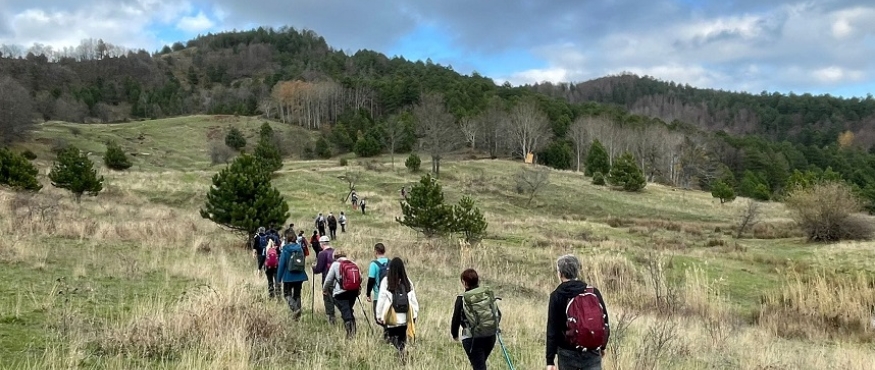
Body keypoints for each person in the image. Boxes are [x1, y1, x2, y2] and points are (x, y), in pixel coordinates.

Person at [546, 254, 610, 370]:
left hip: (567, 353)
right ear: (577, 271)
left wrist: (550, 361)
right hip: (592, 351)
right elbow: (604, 321)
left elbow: (552, 330)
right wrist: (603, 346)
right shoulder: (593, 291)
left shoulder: (556, 296)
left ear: (560, 274)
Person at [451, 269, 499, 370]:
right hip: (491, 335)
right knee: (479, 365)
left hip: (472, 338)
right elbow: (498, 314)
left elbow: (456, 319)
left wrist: (454, 334)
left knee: (479, 366)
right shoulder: (486, 294)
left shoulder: (462, 298)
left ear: (464, 283)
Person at [376, 257, 420, 361]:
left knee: (392, 336)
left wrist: (379, 315)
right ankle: (402, 353)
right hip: (406, 315)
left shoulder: (386, 281)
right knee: (402, 336)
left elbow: (381, 299)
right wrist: (415, 314)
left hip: (392, 316)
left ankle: (401, 352)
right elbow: (413, 298)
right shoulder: (407, 280)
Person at [322, 249, 362, 338]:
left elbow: (328, 279)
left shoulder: (335, 265)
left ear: (335, 257)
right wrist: (358, 288)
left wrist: (324, 289)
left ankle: (350, 334)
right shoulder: (352, 263)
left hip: (340, 292)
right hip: (353, 292)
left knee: (345, 311)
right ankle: (353, 330)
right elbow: (360, 277)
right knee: (349, 309)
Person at [277, 235, 309, 320]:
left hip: (288, 276)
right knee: (297, 294)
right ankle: (297, 316)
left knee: (287, 294)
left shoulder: (285, 249)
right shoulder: (300, 249)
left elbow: (281, 265)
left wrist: (278, 279)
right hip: (300, 275)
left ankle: (296, 309)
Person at [366, 243, 390, 339]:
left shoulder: (373, 264)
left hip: (378, 295)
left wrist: (368, 294)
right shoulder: (390, 262)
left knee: (378, 318)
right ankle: (388, 335)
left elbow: (371, 280)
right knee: (388, 315)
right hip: (390, 294)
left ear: (375, 251)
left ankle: (389, 333)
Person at [311, 235, 336, 324]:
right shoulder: (335, 252)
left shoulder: (322, 254)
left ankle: (331, 319)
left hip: (327, 280)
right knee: (336, 298)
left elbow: (319, 269)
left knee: (328, 299)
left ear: (321, 244)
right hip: (337, 280)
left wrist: (313, 268)